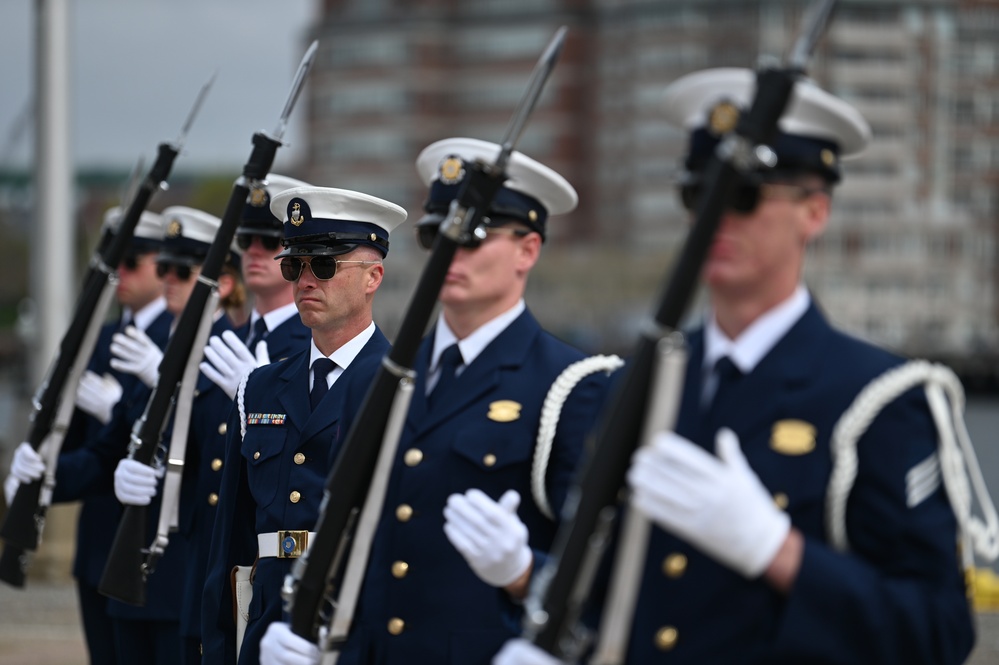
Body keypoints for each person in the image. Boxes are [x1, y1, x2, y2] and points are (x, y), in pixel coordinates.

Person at [488, 68, 990, 664]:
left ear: (815, 211)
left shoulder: (876, 400)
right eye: (700, 196)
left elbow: (938, 633)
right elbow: (617, 590)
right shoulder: (643, 385)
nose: (716, 219)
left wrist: (780, 553)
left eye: (745, 196)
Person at [258, 137, 613, 665]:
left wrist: (523, 574)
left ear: (528, 250)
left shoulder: (574, 385)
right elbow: (357, 544)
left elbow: (605, 581)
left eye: (475, 236)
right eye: (440, 235)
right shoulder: (380, 382)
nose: (453, 251)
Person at [200, 185, 408, 665]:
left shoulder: (403, 387)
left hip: (357, 624)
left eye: (325, 265)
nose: (306, 281)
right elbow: (231, 542)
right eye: (295, 265)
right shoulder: (259, 387)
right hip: (267, 624)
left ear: (373, 276)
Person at [4, 207, 172, 665]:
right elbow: (81, 445)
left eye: (133, 260)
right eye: (115, 259)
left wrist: (121, 408)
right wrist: (41, 475)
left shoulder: (177, 336)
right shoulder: (100, 338)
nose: (120, 272)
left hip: (155, 550)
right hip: (99, 541)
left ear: (165, 262)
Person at [158, 175, 312, 662]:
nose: (256, 251)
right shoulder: (229, 341)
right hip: (211, 571)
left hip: (269, 577)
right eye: (247, 241)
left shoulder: (311, 349)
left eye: (272, 242)